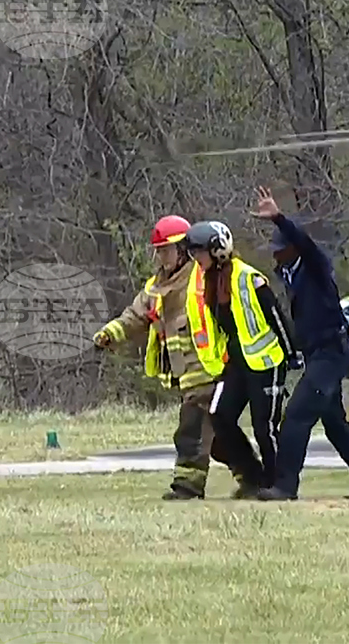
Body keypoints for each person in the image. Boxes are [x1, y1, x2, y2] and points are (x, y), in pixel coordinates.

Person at [249, 186, 349, 501]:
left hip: (331, 353)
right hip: (316, 355)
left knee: (296, 415)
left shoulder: (315, 267)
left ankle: (285, 486)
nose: (275, 253)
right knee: (334, 423)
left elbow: (305, 243)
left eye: (280, 248)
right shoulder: (290, 274)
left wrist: (279, 218)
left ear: (292, 249)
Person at [93, 215, 245, 501]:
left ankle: (187, 487)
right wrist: (109, 334)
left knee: (191, 430)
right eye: (158, 251)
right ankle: (254, 477)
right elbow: (134, 316)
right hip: (185, 376)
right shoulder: (156, 287)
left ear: (183, 248)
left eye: (166, 250)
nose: (161, 256)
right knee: (218, 439)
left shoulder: (201, 277)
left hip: (209, 372)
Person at [182, 219, 299, 496]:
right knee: (219, 416)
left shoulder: (249, 278)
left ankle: (279, 483)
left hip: (265, 361)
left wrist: (292, 354)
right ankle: (252, 474)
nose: (195, 259)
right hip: (235, 363)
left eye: (199, 252)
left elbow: (277, 318)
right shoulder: (211, 283)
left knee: (264, 426)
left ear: (217, 249)